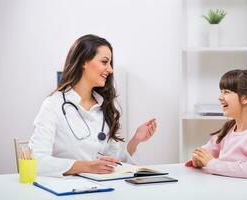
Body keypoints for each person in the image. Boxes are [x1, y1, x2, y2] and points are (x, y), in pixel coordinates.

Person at [29, 34, 157, 177]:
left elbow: (116, 160)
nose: (110, 70)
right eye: (104, 62)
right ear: (84, 62)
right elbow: (36, 161)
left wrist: (135, 140)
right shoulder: (53, 105)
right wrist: (86, 166)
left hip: (102, 188)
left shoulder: (105, 106)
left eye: (110, 63)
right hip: (67, 190)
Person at [186, 69, 247, 179]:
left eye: (226, 92)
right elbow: (204, 153)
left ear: (246, 98)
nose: (220, 97)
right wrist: (198, 159)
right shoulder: (229, 128)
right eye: (221, 92)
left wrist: (213, 164)